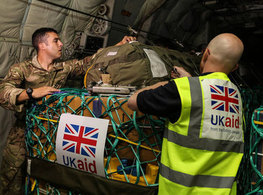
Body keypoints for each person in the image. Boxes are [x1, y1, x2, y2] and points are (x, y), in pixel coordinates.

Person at [0, 27, 135, 194]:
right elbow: (3, 92)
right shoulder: (22, 69)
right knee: (10, 177)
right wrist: (31, 93)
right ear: (42, 45)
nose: (61, 44)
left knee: (44, 178)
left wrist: (119, 45)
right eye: (56, 40)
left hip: (50, 134)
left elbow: (91, 61)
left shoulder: (63, 68)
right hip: (22, 133)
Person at [128, 33, 244, 194]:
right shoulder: (235, 96)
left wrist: (170, 84)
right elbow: (205, 104)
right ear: (235, 67)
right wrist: (189, 80)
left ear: (206, 54)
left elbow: (133, 101)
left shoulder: (182, 90)